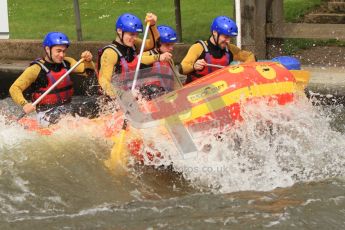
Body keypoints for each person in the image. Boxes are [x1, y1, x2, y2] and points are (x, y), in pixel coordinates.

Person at [9, 32, 95, 126]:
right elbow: (14, 88)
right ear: (47, 49)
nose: (62, 55)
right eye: (58, 51)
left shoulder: (67, 62)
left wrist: (88, 61)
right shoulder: (35, 69)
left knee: (93, 105)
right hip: (46, 114)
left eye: (64, 51)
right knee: (67, 113)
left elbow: (88, 72)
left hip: (66, 108)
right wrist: (24, 104)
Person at [97, 12, 161, 97]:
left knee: (155, 90)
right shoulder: (110, 53)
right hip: (113, 98)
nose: (134, 38)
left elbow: (154, 44)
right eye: (131, 34)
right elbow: (104, 81)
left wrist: (152, 26)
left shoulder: (134, 44)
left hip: (131, 92)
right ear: (119, 31)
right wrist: (124, 96)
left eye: (136, 35)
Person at [179, 16, 256, 84]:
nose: (228, 41)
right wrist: (194, 66)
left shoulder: (230, 49)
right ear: (215, 32)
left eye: (230, 38)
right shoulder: (198, 47)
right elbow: (182, 69)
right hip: (196, 92)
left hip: (218, 91)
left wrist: (241, 68)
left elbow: (251, 56)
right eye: (225, 37)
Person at [140, 25, 179, 99]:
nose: (171, 48)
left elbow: (174, 81)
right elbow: (138, 59)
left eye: (172, 44)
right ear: (157, 44)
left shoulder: (168, 58)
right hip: (152, 98)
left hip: (168, 96)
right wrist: (158, 57)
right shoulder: (148, 54)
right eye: (167, 45)